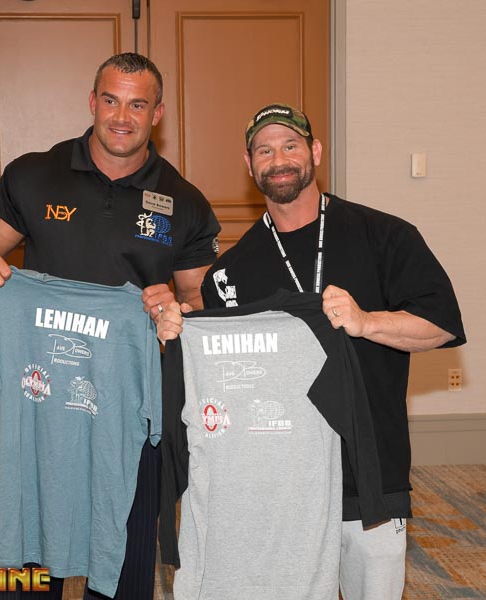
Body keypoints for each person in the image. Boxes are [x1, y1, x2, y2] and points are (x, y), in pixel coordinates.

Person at [157, 103, 466, 599]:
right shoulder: (229, 273)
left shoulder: (385, 235)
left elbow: (441, 326)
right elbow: (217, 371)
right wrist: (177, 329)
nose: (278, 159)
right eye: (264, 150)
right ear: (249, 164)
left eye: (290, 145)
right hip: (279, 489)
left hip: (369, 473)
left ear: (315, 151)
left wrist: (366, 322)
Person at [0, 53, 220, 599]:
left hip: (129, 394)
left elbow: (201, 303)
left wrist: (176, 309)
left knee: (126, 545)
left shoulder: (184, 202)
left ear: (157, 114)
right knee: (30, 537)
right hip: (42, 393)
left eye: (138, 105)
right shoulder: (34, 174)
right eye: (111, 100)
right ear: (93, 102)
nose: (122, 116)